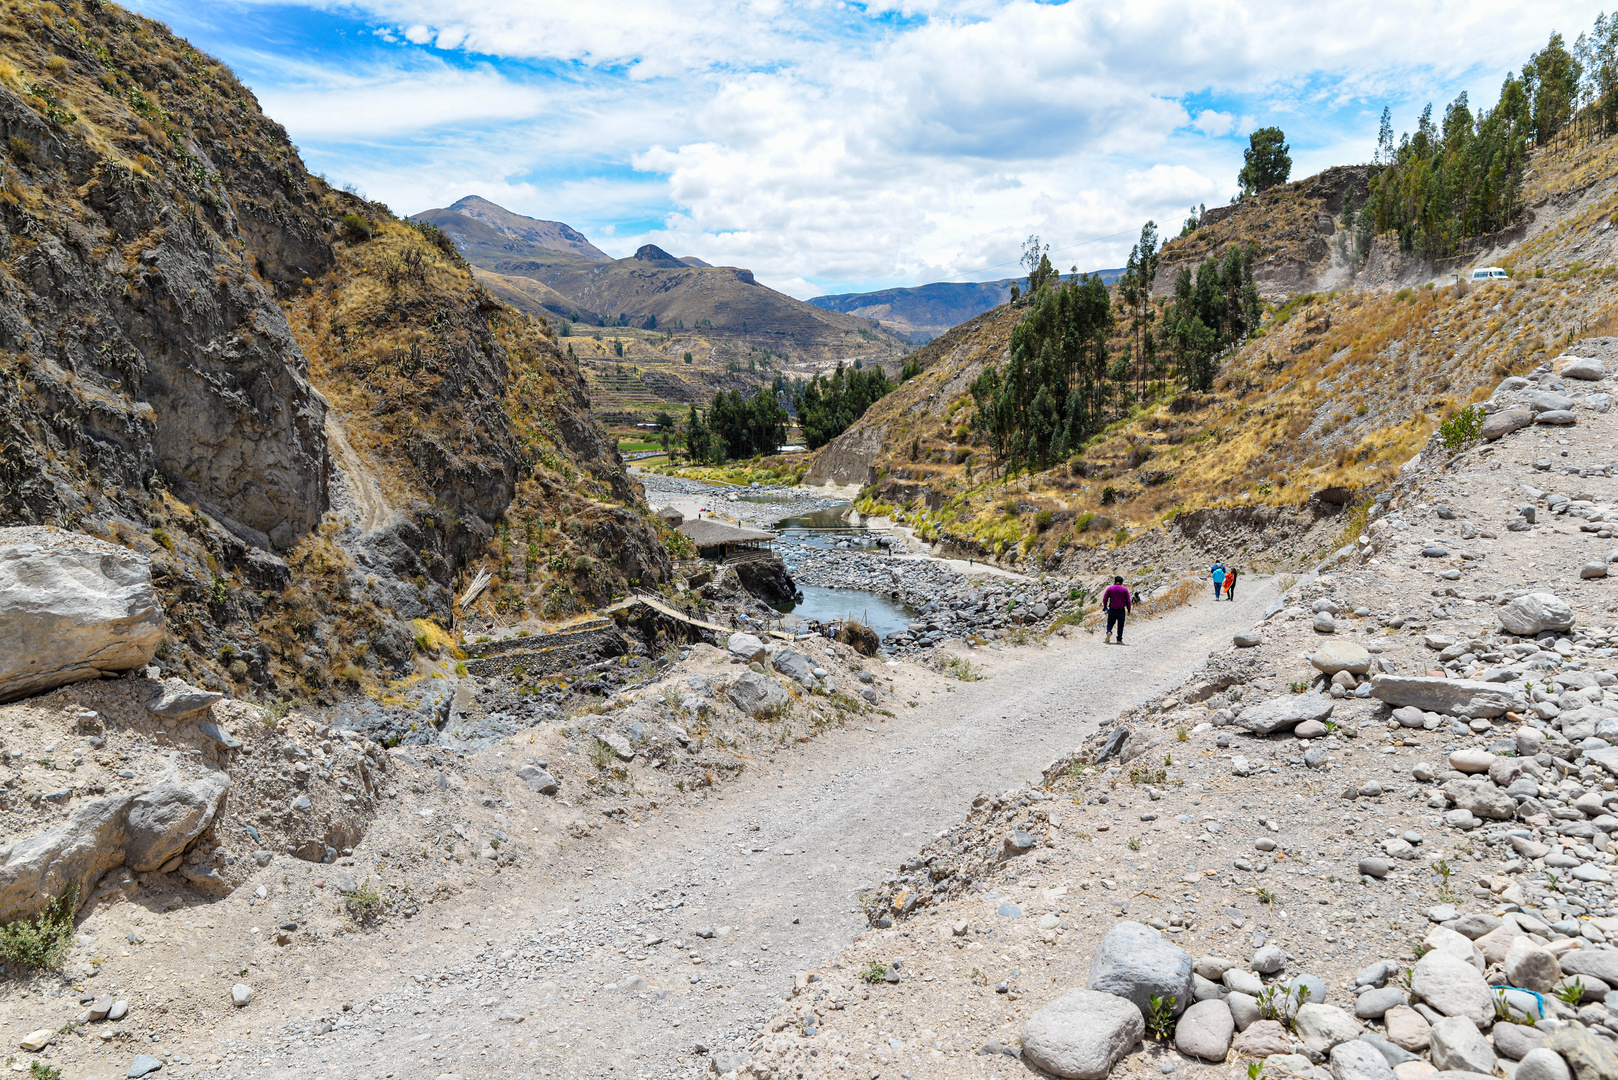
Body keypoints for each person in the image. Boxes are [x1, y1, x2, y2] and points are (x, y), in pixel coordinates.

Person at [1102, 575, 1132, 644]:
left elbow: (1105, 599)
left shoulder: (1110, 589)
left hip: (1112, 609)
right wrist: (1129, 609)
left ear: (1115, 581)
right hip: (1121, 610)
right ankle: (1119, 639)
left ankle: (1109, 631)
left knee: (1110, 623)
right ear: (1122, 582)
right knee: (1120, 625)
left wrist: (1105, 607)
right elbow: (1128, 601)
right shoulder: (1125, 589)